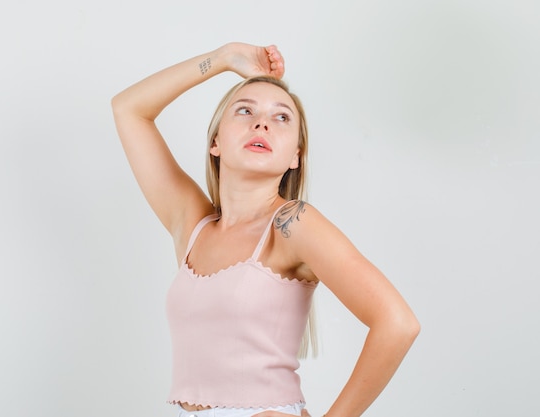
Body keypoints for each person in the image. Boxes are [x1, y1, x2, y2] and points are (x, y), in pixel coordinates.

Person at [111, 42, 420, 417]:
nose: (262, 123)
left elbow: (397, 323)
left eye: (282, 118)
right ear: (216, 142)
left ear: (295, 156)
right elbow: (128, 110)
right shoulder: (194, 225)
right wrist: (224, 59)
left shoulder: (293, 224)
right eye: (245, 111)